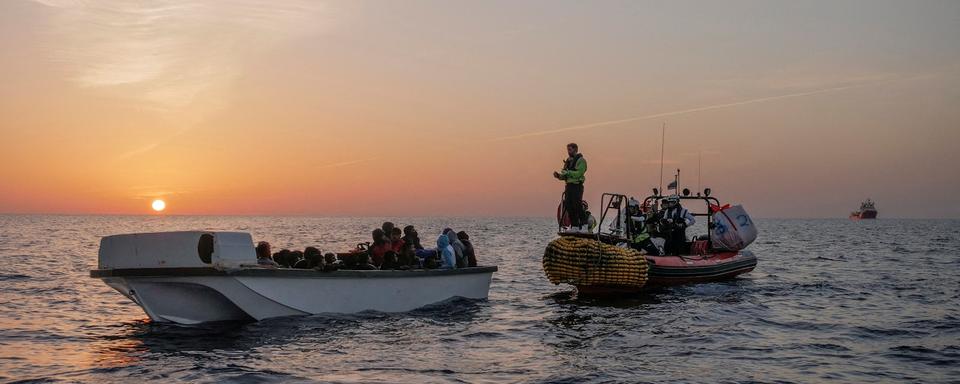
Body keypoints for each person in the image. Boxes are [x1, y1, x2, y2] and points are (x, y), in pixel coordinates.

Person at [553, 143, 588, 232]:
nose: (568, 152)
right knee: (568, 205)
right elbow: (565, 175)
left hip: (577, 186)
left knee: (577, 205)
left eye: (570, 150)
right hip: (568, 186)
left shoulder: (581, 161)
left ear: (575, 150)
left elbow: (579, 173)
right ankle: (574, 226)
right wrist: (559, 176)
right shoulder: (568, 161)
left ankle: (585, 225)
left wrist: (568, 173)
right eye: (567, 150)